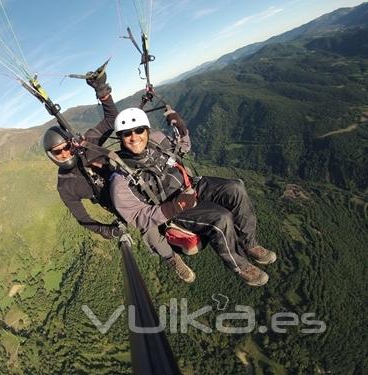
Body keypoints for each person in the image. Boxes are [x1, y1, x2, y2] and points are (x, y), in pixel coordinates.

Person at [109, 107, 277, 286]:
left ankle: (249, 244)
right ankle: (240, 266)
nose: (135, 137)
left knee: (236, 188)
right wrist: (175, 207)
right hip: (171, 207)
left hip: (191, 185)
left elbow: (183, 147)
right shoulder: (120, 179)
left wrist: (181, 128)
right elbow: (138, 217)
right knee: (221, 218)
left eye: (139, 130)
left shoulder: (157, 140)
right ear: (120, 138)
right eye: (127, 134)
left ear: (147, 130)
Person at [43, 72, 123, 239]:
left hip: (135, 181)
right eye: (58, 151)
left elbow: (111, 120)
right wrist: (107, 231)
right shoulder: (65, 186)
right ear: (51, 155)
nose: (65, 153)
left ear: (72, 143)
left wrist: (103, 93)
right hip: (120, 205)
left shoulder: (87, 145)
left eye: (67, 147)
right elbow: (83, 219)